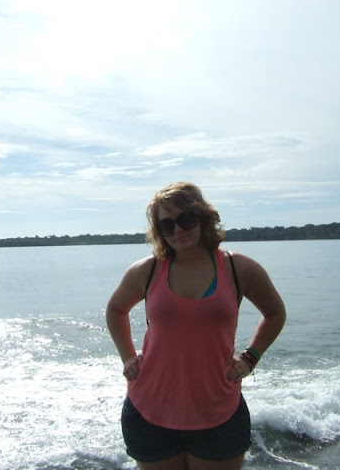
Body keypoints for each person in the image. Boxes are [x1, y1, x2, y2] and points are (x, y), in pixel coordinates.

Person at [106, 182, 286, 470]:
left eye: (186, 219)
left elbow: (275, 313)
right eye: (167, 224)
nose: (177, 229)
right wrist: (127, 357)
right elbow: (116, 310)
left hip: (220, 412)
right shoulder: (147, 270)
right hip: (150, 412)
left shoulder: (238, 268)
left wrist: (250, 358)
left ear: (203, 217)